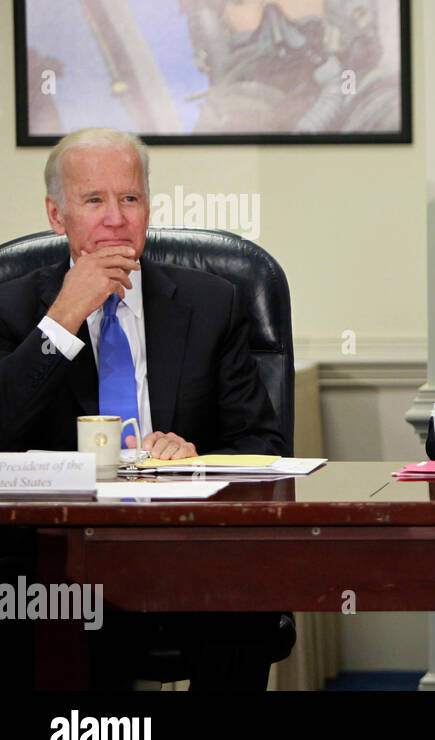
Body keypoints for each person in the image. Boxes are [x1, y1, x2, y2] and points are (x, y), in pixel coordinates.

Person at [0, 127, 288, 689]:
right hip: (55, 555)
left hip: (183, 545)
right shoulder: (10, 307)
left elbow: (264, 447)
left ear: (148, 208)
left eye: (129, 199)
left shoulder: (211, 303)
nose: (115, 218)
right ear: (57, 216)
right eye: (94, 201)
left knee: (247, 604)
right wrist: (63, 318)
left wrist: (196, 456)